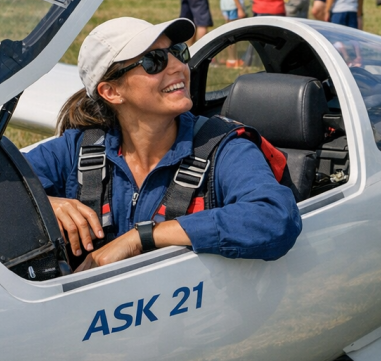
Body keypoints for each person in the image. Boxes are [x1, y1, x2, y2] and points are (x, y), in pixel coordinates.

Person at [24, 16, 302, 272]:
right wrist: (49, 204)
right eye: (154, 61)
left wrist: (142, 237)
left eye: (178, 52)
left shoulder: (225, 148)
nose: (179, 67)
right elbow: (0, 186)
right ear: (111, 92)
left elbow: (275, 217)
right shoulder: (77, 150)